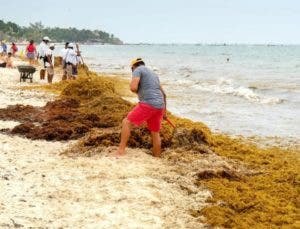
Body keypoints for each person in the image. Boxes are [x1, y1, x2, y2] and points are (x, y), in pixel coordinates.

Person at [116, 58, 167, 157]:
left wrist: (138, 91)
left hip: (148, 104)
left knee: (126, 122)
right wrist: (164, 112)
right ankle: (157, 157)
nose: (132, 71)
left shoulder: (137, 70)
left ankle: (120, 151)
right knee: (155, 133)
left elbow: (133, 87)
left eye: (132, 70)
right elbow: (164, 94)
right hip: (160, 106)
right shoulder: (154, 74)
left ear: (133, 67)